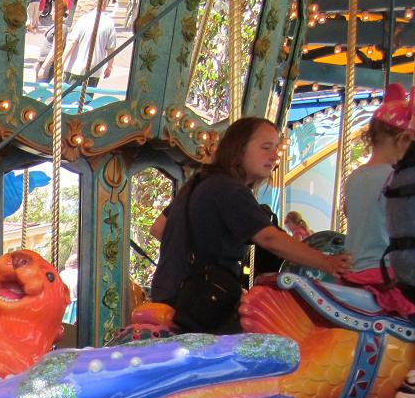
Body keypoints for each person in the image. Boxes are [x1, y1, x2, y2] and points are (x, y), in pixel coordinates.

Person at [148, 116, 351, 334]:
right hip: (204, 300)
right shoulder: (230, 189)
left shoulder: (201, 181)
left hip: (170, 292)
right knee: (270, 346)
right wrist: (326, 262)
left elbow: (158, 227)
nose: (274, 156)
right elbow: (269, 238)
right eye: (266, 148)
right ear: (239, 148)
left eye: (276, 148)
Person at [340, 84, 415, 398]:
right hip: (386, 278)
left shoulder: (356, 176)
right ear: (403, 140)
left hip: (354, 271)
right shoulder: (399, 179)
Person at [63, 5, 117, 89]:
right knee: (86, 99)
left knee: (68, 99)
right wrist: (109, 67)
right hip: (94, 70)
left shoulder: (83, 20)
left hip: (76, 68)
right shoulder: (109, 23)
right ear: (106, 4)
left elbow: (72, 43)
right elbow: (111, 49)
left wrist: (61, 62)